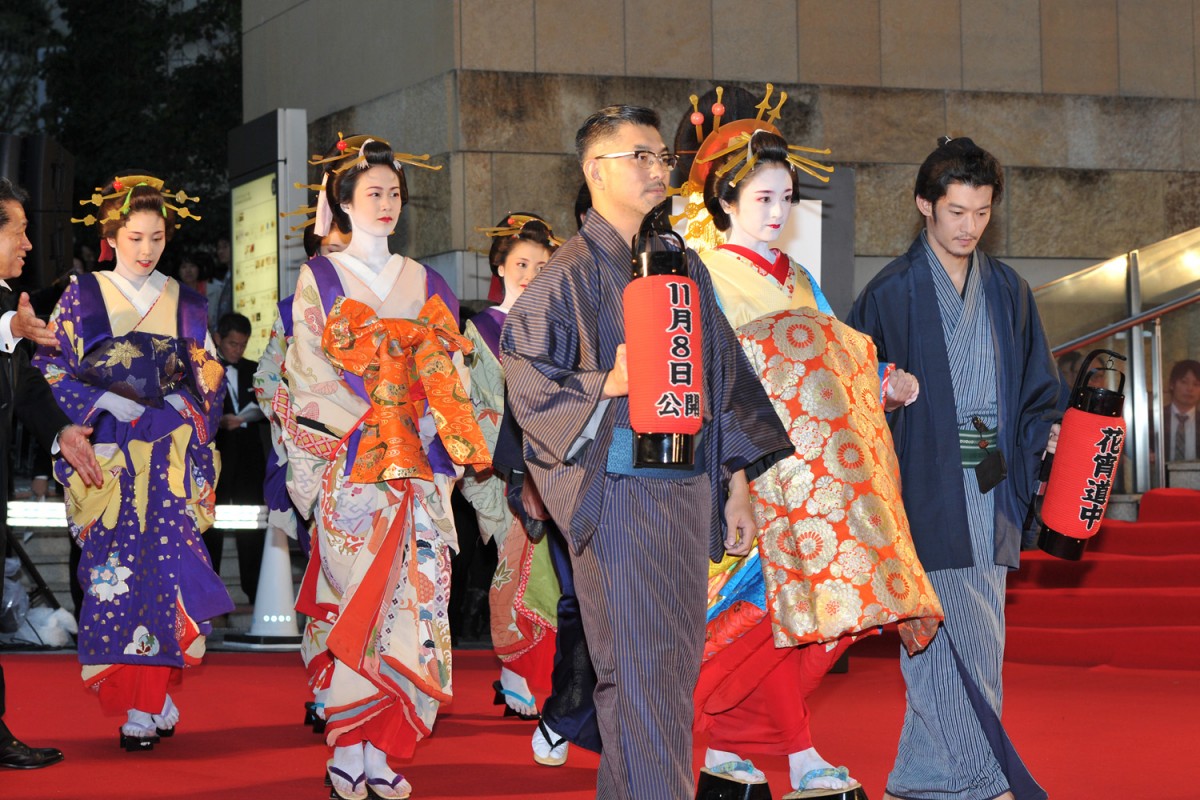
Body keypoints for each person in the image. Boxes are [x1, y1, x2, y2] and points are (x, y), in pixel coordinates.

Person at [501, 105, 793, 799]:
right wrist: (612, 381)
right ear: (594, 168)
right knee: (633, 669)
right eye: (641, 155)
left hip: (688, 490)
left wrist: (736, 486)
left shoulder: (684, 262)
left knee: (669, 668)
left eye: (662, 157)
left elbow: (721, 374)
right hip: (618, 490)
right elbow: (525, 374)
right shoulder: (566, 274)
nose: (659, 168)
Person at [684, 114, 938, 799]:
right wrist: (730, 476)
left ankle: (745, 742)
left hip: (819, 475)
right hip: (749, 472)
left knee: (819, 616)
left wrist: (884, 383)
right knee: (759, 618)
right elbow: (709, 381)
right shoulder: (701, 274)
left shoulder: (798, 277)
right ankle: (734, 739)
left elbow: (838, 360)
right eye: (761, 198)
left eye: (785, 197)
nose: (775, 211)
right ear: (726, 203)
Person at [846, 137, 1062, 800]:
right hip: (922, 473)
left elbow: (1034, 384)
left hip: (986, 454)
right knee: (946, 633)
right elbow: (849, 391)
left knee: (976, 626)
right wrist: (882, 386)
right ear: (924, 207)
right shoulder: (891, 292)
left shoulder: (1007, 289)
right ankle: (976, 780)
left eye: (982, 213)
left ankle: (921, 780)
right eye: (956, 212)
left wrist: (1047, 434)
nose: (969, 227)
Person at [282, 134, 488, 800]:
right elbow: (307, 370)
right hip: (355, 460)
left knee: (417, 604)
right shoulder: (322, 276)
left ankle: (386, 744)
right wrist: (373, 418)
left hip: (420, 464)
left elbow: (448, 371)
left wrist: (427, 422)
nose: (386, 204)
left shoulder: (426, 281)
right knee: (360, 603)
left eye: (394, 193)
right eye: (372, 193)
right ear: (342, 201)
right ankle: (349, 740)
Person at [35, 173, 233, 752]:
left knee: (169, 572)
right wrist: (99, 401)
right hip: (109, 453)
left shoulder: (186, 301)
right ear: (112, 238)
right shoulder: (83, 294)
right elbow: (51, 366)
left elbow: (210, 374)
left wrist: (185, 401)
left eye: (156, 238)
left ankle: (150, 700)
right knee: (113, 578)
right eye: (135, 238)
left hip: (168, 450)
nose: (146, 250)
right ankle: (140, 702)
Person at [0, 177, 101, 769]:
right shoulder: (9, 314)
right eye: (18, 229)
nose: (29, 244)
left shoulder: (11, 302)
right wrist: (9, 332)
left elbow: (31, 387)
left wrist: (62, 431)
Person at [459, 214, 560, 722]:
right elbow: (472, 405)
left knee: (555, 576)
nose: (531, 272)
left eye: (542, 264)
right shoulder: (480, 329)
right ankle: (516, 671)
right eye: (522, 263)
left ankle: (545, 674)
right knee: (514, 570)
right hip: (506, 472)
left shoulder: (562, 326)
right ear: (499, 264)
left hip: (559, 468)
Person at [257, 212, 350, 733]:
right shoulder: (293, 310)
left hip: (375, 455)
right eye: (329, 248)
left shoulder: (387, 301)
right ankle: (324, 686)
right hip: (318, 462)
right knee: (325, 574)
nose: (337, 255)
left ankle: (366, 690)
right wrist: (310, 432)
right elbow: (269, 379)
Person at [206, 312, 268, 604]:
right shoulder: (204, 369)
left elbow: (269, 410)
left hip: (249, 460)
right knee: (211, 528)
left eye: (243, 345)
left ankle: (256, 592)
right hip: (217, 457)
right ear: (218, 338)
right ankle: (211, 597)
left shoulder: (254, 370)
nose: (238, 350)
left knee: (253, 527)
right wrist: (218, 422)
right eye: (232, 344)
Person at [1164, 359, 1200, 462]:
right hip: (1160, 477)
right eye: (1184, 382)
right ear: (1172, 384)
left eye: (1196, 384)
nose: (1190, 389)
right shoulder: (1153, 419)